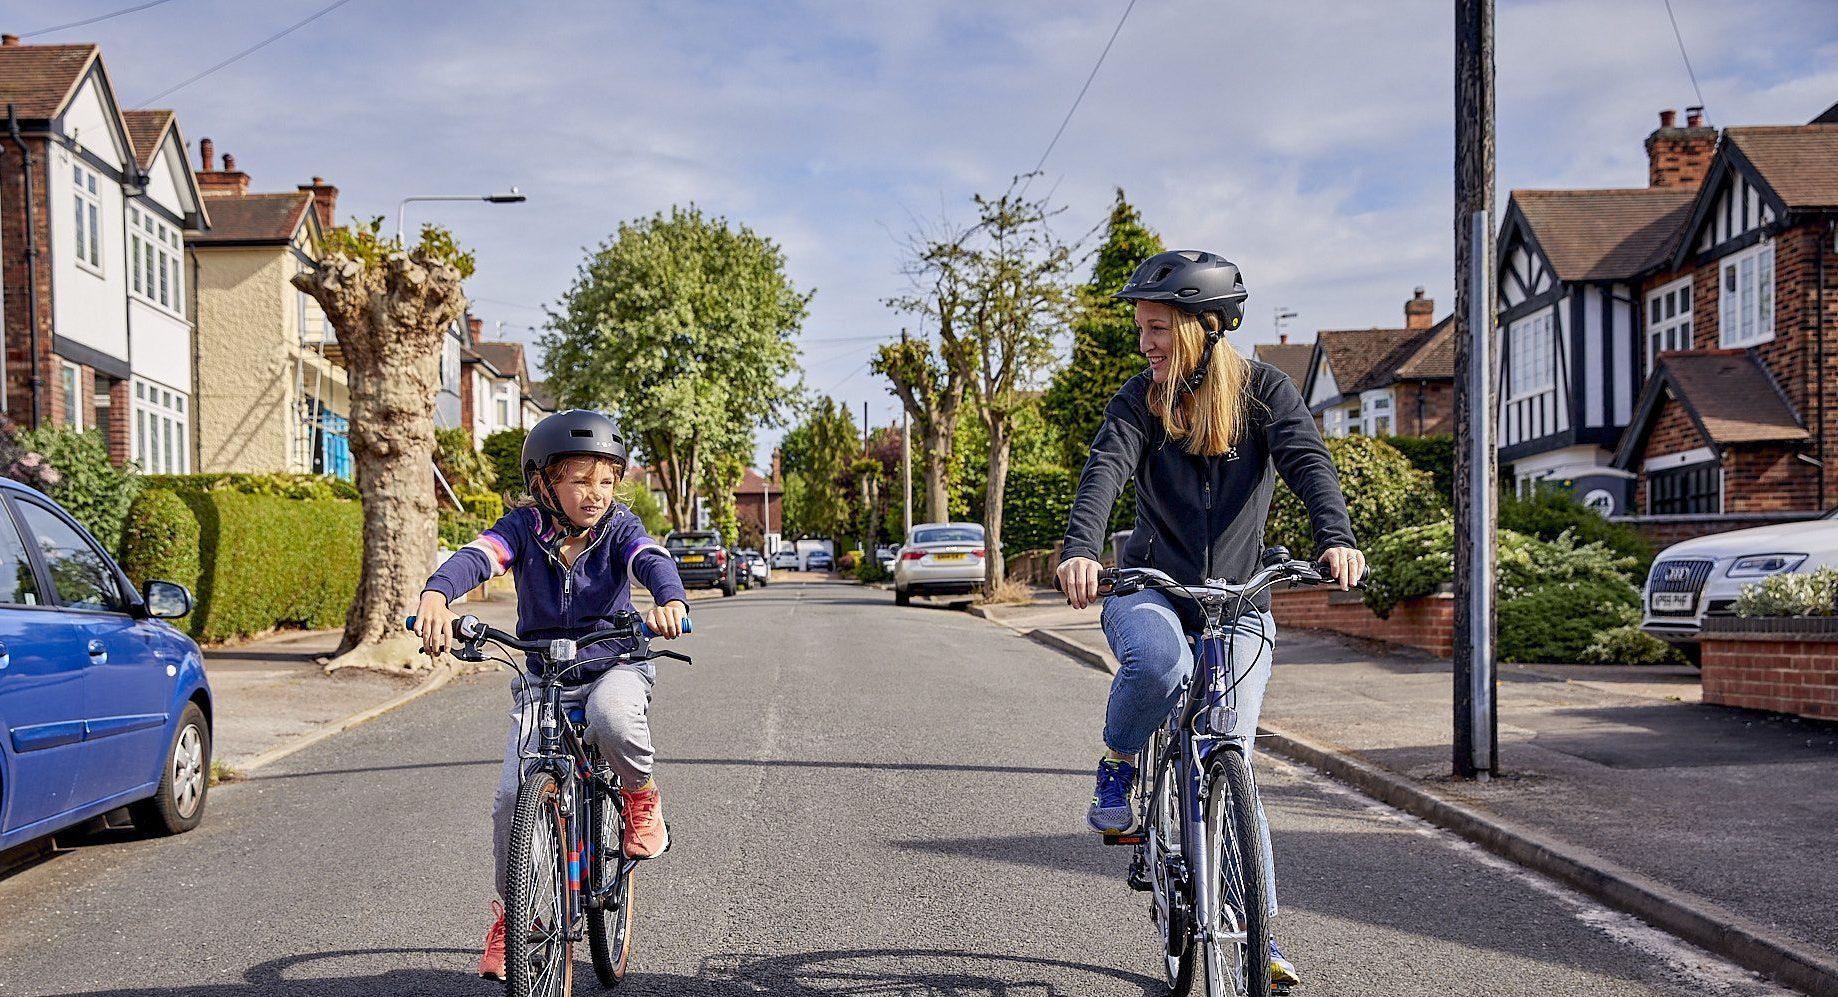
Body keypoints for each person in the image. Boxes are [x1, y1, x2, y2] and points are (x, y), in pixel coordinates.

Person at [1055, 250, 1366, 988]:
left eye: (1157, 328)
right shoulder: (1139, 399)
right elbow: (1106, 466)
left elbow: (1309, 462)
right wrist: (1080, 550)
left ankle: (1255, 928)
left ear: (1203, 327)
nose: (1145, 343)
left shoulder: (1264, 392)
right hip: (1150, 585)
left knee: (1230, 753)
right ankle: (1120, 761)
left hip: (1238, 599)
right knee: (1163, 664)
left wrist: (1338, 535)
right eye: (1142, 328)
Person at [415, 409, 690, 982]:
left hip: (613, 660)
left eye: (607, 481)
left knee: (612, 716)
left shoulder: (618, 529)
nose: (596, 494)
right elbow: (478, 557)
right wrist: (439, 594)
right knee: (510, 800)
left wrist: (671, 600)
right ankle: (514, 920)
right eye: (581, 480)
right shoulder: (521, 528)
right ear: (544, 482)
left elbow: (651, 558)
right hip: (544, 676)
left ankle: (640, 795)